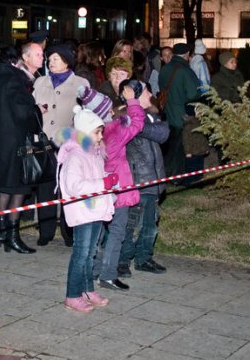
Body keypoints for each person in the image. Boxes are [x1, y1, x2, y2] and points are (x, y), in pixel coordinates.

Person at [81, 83, 146, 292]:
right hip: (117, 188)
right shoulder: (113, 132)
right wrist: (132, 100)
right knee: (117, 231)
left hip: (97, 188)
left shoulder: (87, 136)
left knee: (98, 232)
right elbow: (137, 123)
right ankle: (108, 275)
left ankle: (94, 269)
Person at [56, 108, 115, 312]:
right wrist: (103, 182)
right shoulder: (75, 157)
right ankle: (72, 294)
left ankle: (88, 289)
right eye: (97, 132)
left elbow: (95, 179)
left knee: (91, 253)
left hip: (95, 210)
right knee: (81, 253)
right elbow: (75, 186)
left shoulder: (96, 154)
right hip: (82, 212)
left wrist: (109, 181)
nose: (101, 136)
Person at [0, 46, 39, 254]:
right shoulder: (13, 79)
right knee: (17, 188)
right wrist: (36, 109)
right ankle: (12, 236)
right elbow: (23, 111)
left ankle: (2, 231)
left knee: (5, 186)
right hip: (16, 141)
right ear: (13, 61)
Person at [33, 44, 90, 246]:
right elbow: (30, 106)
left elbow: (88, 111)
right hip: (45, 142)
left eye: (55, 58)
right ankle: (45, 232)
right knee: (45, 188)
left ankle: (69, 232)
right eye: (49, 58)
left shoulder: (80, 83)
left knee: (69, 187)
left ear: (67, 61)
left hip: (69, 143)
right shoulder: (40, 81)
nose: (51, 61)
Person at [118, 84, 169, 277]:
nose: (151, 94)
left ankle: (143, 258)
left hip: (153, 180)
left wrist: (140, 122)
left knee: (150, 224)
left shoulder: (148, 115)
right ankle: (122, 260)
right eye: (147, 91)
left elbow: (163, 134)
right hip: (137, 180)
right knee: (131, 224)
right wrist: (134, 116)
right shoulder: (123, 117)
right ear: (136, 96)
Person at [158, 43, 200, 176]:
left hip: (167, 111)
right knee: (180, 146)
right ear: (187, 54)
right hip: (181, 113)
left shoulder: (164, 69)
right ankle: (177, 176)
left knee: (169, 145)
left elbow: (161, 87)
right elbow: (193, 93)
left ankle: (166, 172)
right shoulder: (185, 70)